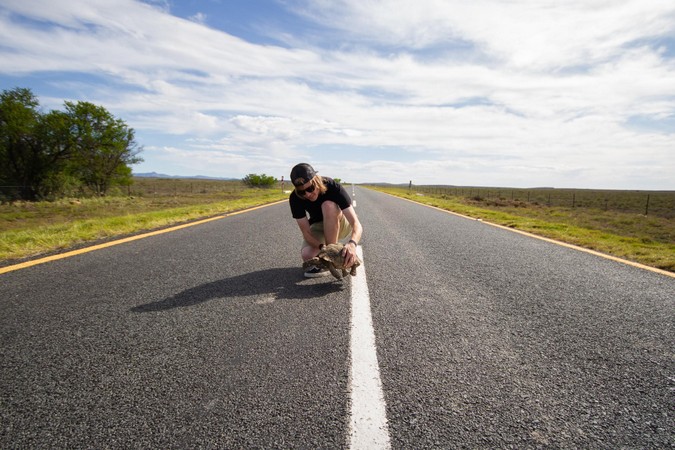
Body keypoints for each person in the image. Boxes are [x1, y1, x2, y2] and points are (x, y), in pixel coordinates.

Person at [288, 163, 363, 278]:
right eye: (302, 192)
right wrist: (323, 249)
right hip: (319, 225)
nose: (307, 194)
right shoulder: (295, 198)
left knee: (328, 205)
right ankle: (331, 257)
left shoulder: (333, 186)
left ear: (316, 180)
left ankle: (332, 256)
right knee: (307, 255)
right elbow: (306, 233)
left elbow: (356, 224)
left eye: (310, 188)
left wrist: (352, 244)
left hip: (341, 222)